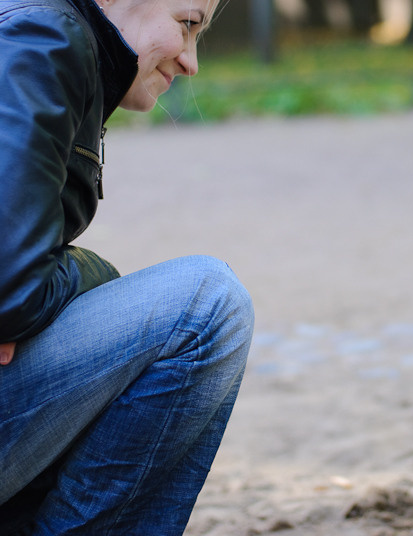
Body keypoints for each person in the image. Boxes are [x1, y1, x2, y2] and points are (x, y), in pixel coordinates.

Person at [0, 0, 254, 533]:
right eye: (187, 25)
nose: (191, 61)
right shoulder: (41, 37)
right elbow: (10, 295)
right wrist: (95, 273)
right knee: (205, 306)